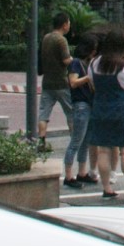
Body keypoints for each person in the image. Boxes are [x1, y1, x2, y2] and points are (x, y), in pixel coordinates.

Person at [85, 30, 124, 200]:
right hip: (121, 110)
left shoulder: (94, 63)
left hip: (100, 109)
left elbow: (93, 86)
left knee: (103, 151)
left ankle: (107, 189)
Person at [64, 35, 99, 188]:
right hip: (81, 105)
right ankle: (68, 175)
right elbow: (73, 82)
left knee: (86, 141)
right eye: (94, 49)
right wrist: (88, 78)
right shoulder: (76, 63)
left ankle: (82, 172)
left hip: (89, 104)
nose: (95, 52)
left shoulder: (87, 64)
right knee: (76, 141)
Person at [38, 12, 74, 146]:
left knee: (44, 113)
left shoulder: (46, 38)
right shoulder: (61, 40)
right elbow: (66, 60)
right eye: (69, 23)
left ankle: (41, 141)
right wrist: (74, 60)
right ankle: (74, 140)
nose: (69, 26)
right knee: (71, 112)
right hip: (62, 82)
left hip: (47, 82)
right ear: (64, 25)